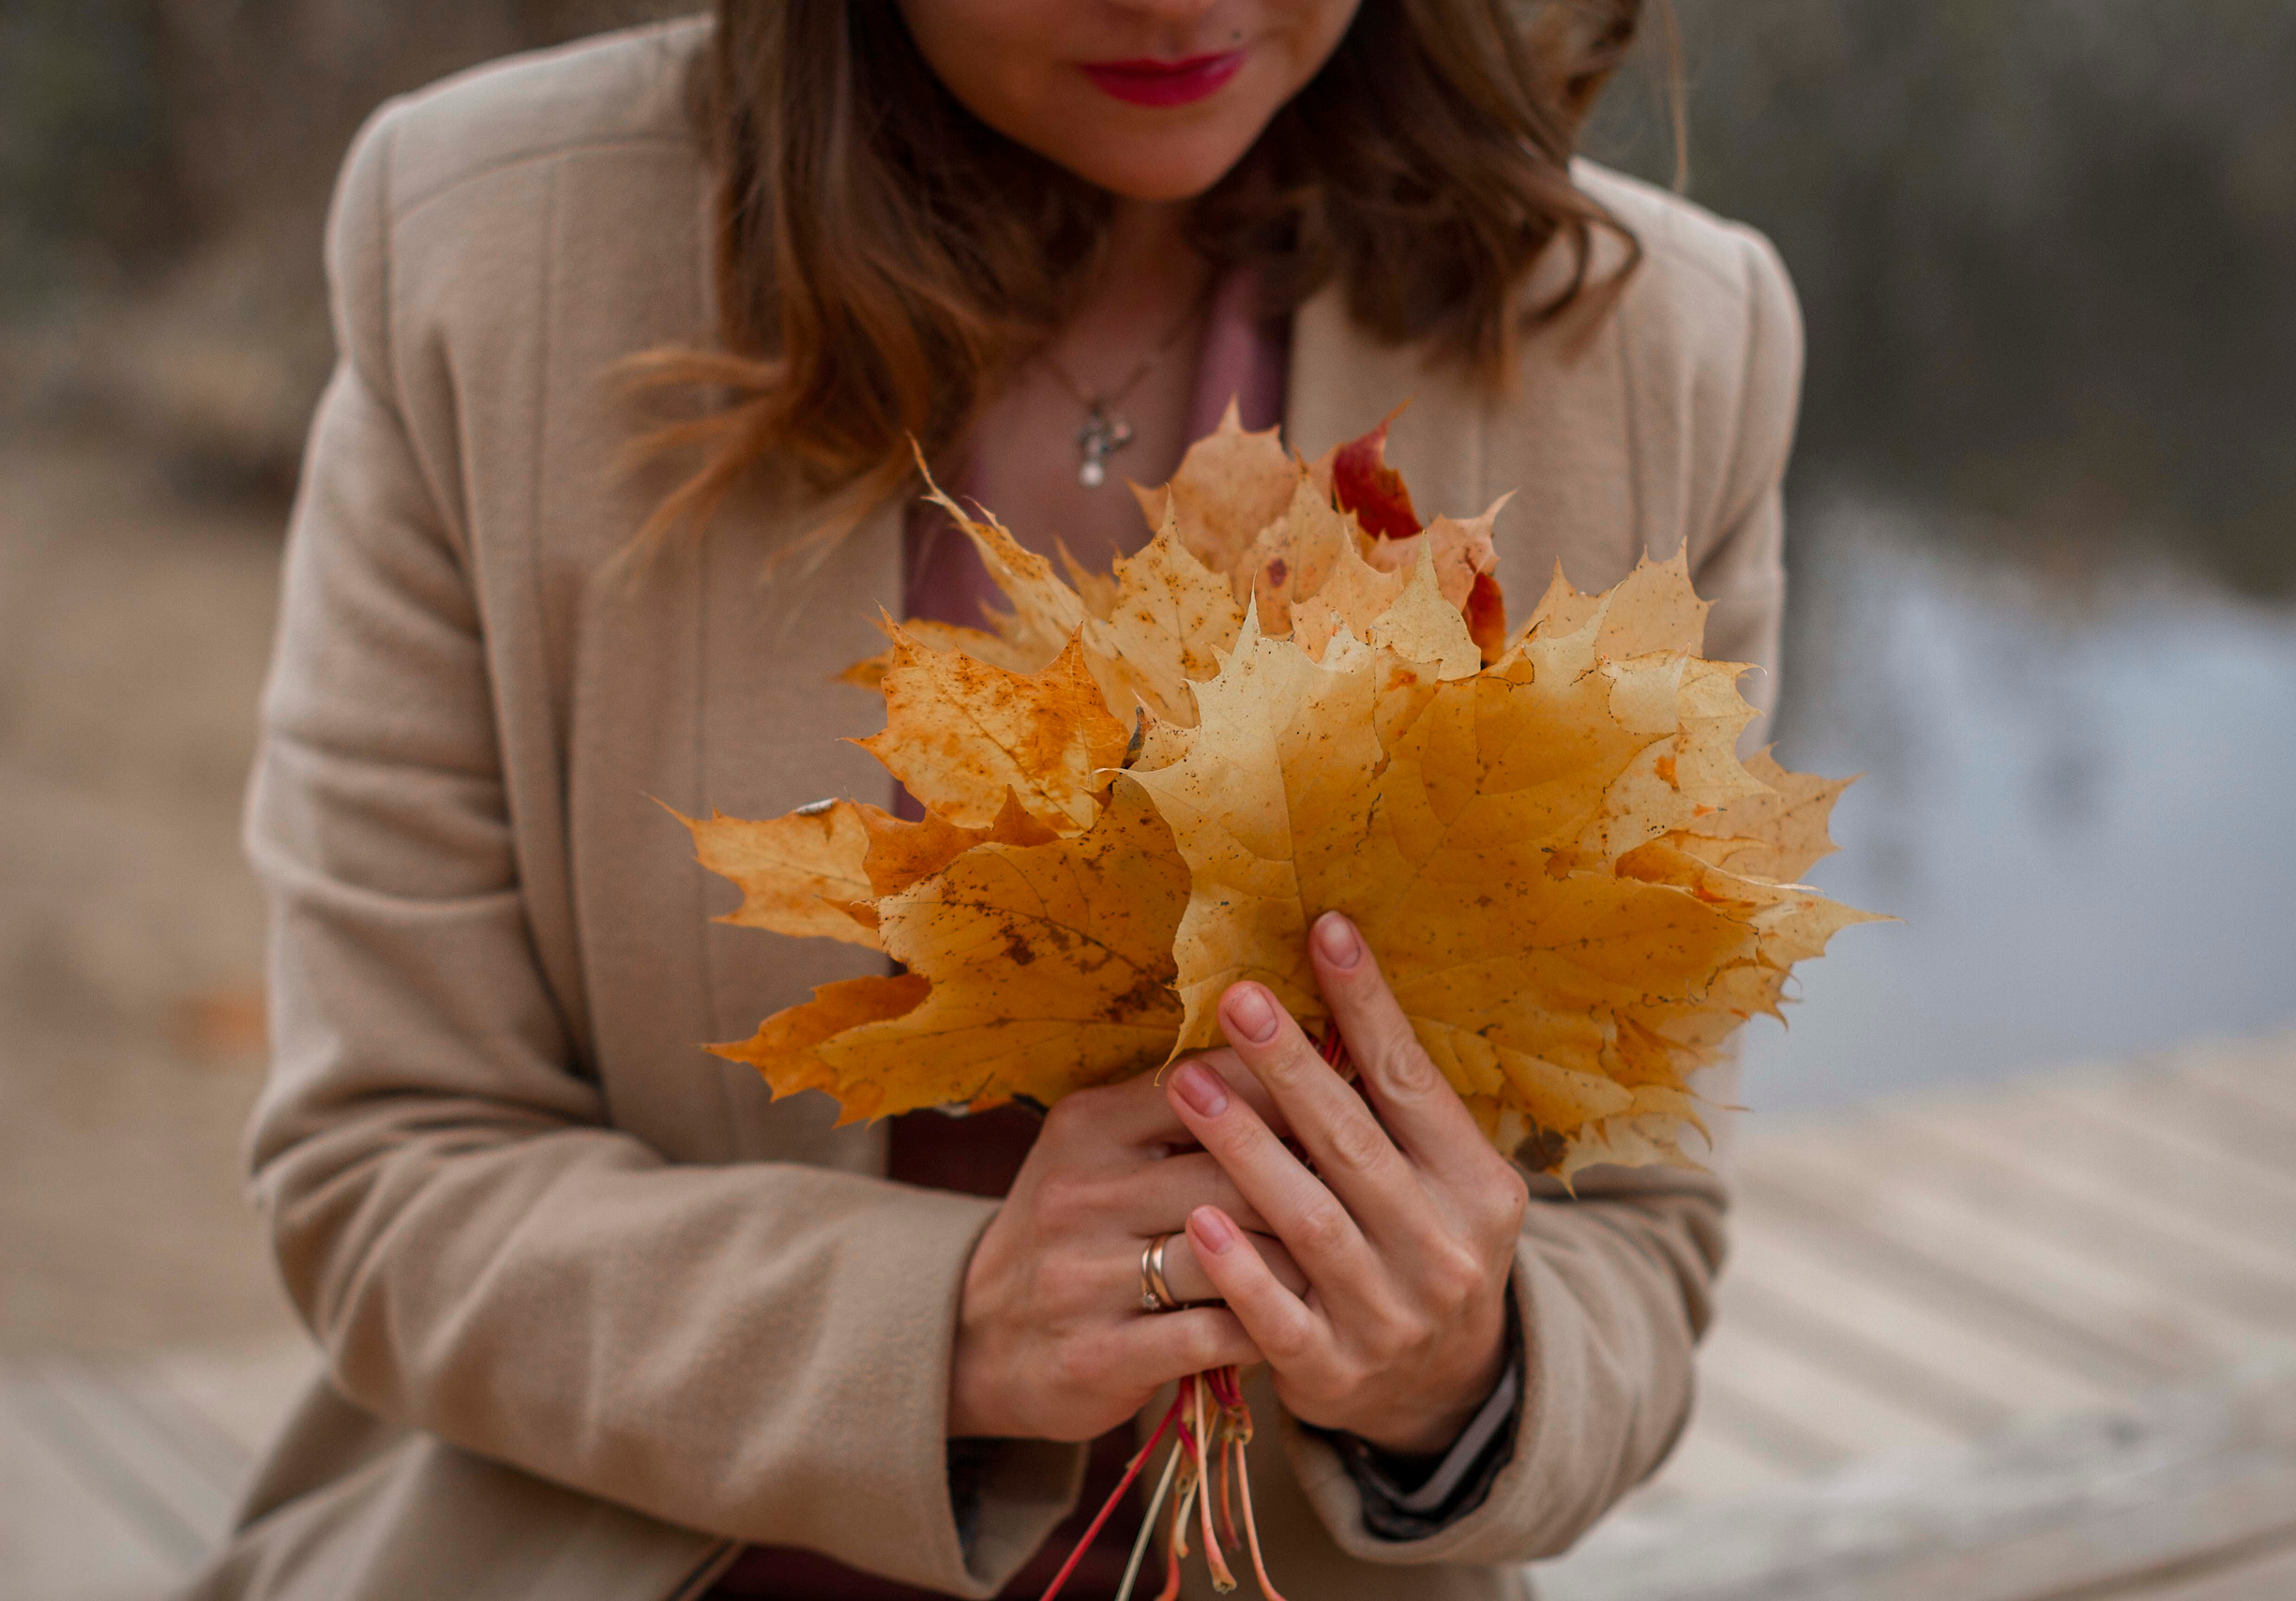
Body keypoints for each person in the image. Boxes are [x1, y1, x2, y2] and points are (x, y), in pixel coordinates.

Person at [186, 2, 1798, 1597]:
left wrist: (1454, 1374)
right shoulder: (495, 250)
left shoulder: (1658, 351)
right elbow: (383, 1174)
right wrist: (947, 1330)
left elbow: (1638, 1242)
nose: (1181, 4)